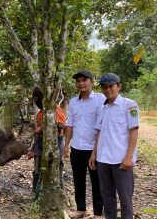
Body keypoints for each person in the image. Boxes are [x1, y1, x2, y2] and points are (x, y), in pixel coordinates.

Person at [89, 73, 139, 219]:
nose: (107, 90)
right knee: (107, 197)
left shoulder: (129, 105)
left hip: (120, 160)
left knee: (125, 199)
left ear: (119, 86)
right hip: (103, 159)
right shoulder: (103, 108)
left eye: (111, 86)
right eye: (104, 87)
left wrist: (129, 157)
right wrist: (94, 154)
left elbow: (133, 131)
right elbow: (99, 132)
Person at [63, 70, 105, 219]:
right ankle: (81, 209)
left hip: (94, 148)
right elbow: (70, 124)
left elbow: (101, 126)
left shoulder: (100, 100)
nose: (81, 83)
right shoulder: (74, 101)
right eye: (78, 81)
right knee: (78, 179)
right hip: (77, 147)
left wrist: (95, 151)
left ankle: (98, 212)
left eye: (84, 80)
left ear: (92, 82)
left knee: (97, 181)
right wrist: (66, 145)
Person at [27, 87, 66, 196]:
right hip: (40, 145)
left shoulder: (56, 110)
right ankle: (36, 193)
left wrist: (43, 127)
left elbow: (61, 126)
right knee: (38, 169)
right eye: (34, 99)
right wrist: (32, 149)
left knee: (55, 167)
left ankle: (57, 191)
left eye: (38, 98)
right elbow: (37, 135)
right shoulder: (40, 113)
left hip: (55, 143)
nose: (36, 101)